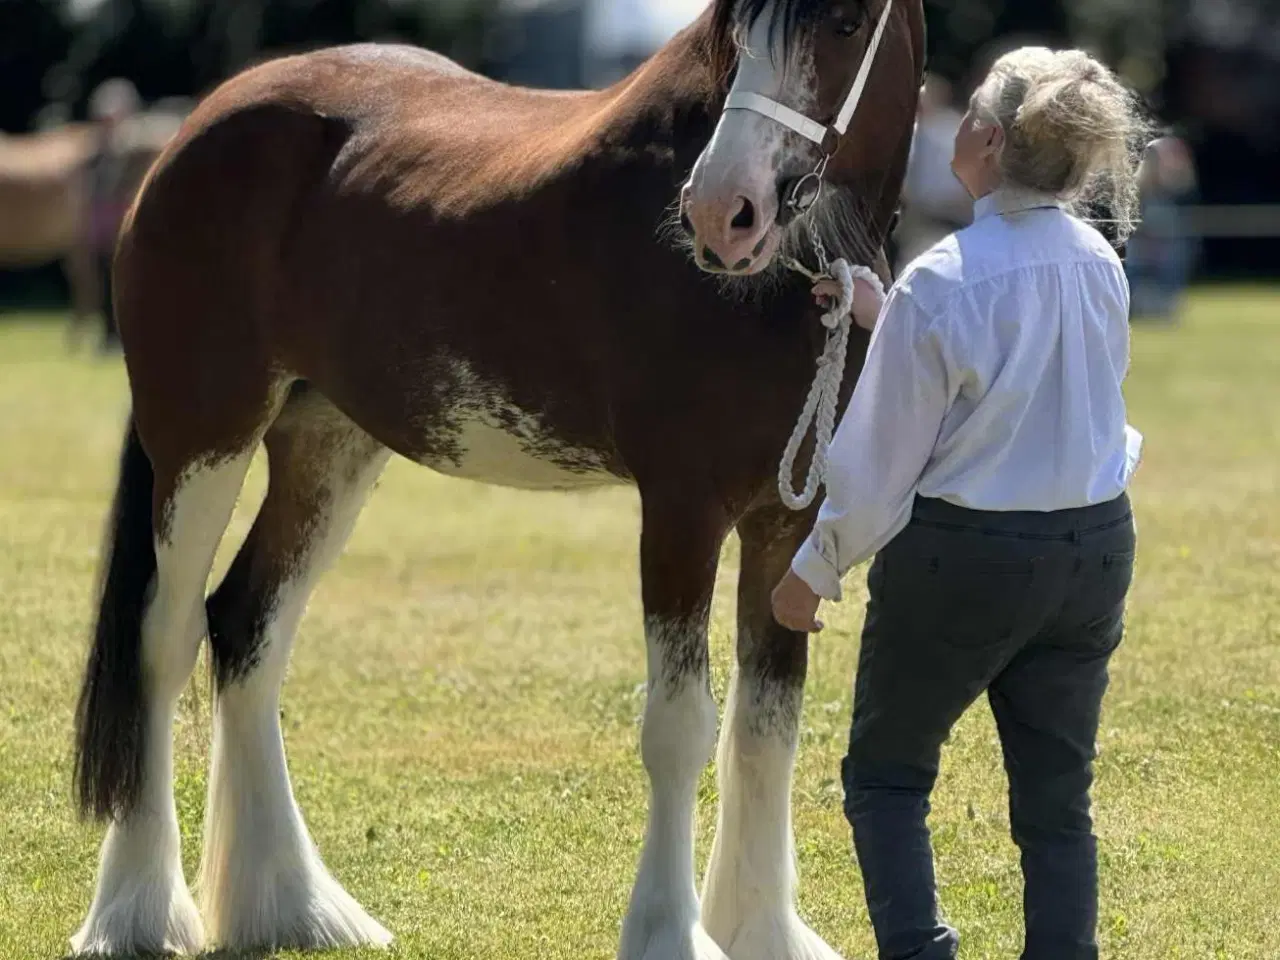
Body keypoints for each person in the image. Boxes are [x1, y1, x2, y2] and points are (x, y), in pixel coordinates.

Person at [772, 46, 1150, 960]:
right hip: (1095, 549)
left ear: (983, 139)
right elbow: (1027, 371)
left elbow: (878, 458)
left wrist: (811, 572)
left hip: (966, 558)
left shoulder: (944, 277)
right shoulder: (1099, 258)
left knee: (889, 780)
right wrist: (887, 311)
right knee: (1059, 803)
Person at [84, 78, 141, 352]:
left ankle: (122, 335)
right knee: (103, 282)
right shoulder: (96, 151)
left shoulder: (131, 149)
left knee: (122, 284)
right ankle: (107, 335)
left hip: (119, 224)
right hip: (101, 226)